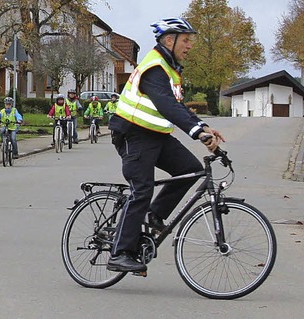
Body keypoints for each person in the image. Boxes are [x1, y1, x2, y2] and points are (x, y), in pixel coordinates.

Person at [106, 18, 225, 273]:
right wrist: (196, 134)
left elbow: (177, 105)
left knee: (189, 169)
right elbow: (166, 106)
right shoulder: (155, 68)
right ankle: (119, 253)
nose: (190, 45)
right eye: (186, 40)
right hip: (133, 135)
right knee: (142, 190)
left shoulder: (170, 68)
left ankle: (154, 215)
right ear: (169, 40)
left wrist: (203, 127)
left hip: (156, 136)